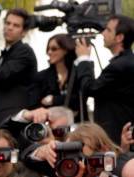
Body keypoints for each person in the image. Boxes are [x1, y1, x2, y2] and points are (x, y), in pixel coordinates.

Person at [76, 14, 134, 144]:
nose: (103, 33)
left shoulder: (120, 66)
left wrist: (84, 59)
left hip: (117, 137)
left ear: (119, 38)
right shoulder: (125, 62)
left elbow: (90, 88)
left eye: (108, 30)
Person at [30, 34, 87, 121]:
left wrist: (54, 99)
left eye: (54, 49)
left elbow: (80, 100)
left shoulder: (78, 74)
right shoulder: (41, 76)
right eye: (48, 49)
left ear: (65, 50)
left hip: (77, 126)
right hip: (49, 126)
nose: (49, 52)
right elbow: (35, 105)